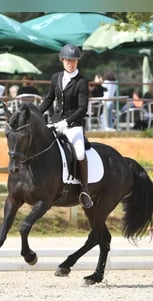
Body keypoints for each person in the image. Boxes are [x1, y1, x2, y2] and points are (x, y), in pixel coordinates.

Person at [38, 44, 93, 208]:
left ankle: (85, 190)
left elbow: (83, 108)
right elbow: (49, 99)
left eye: (74, 61)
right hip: (55, 122)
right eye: (68, 60)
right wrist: (36, 113)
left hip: (73, 125)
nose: (71, 63)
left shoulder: (82, 82)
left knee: (80, 153)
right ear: (62, 60)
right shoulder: (56, 77)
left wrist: (66, 122)